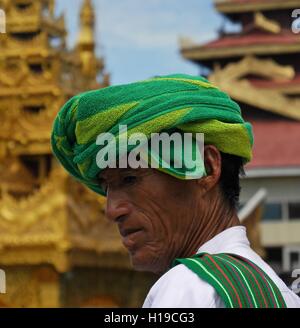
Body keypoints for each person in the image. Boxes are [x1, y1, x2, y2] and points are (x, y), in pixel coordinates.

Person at [51, 74, 300, 308]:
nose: (111, 209)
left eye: (129, 179)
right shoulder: (280, 292)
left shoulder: (188, 288)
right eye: (106, 188)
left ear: (206, 168)